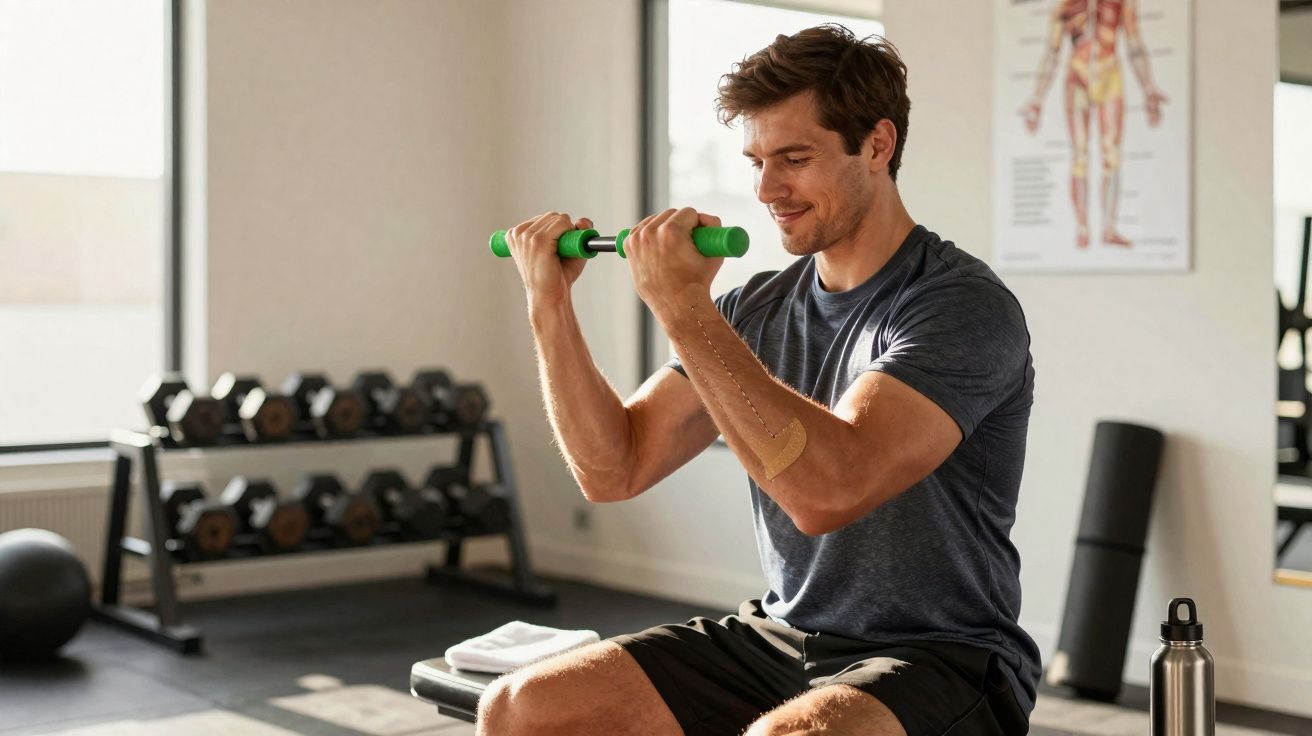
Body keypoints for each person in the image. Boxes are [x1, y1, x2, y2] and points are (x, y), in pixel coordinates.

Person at [483, 24, 1039, 736]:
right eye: (757, 161)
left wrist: (684, 310)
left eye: (794, 159)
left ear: (877, 145)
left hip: (942, 655)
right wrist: (548, 305)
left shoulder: (960, 306)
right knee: (519, 709)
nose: (768, 189)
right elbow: (612, 467)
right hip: (783, 636)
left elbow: (828, 492)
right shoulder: (757, 307)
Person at [1020, 0, 1167, 249]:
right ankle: (1082, 227)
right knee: (1080, 154)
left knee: (1111, 151)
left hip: (1110, 73)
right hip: (1077, 75)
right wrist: (1036, 98)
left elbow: (1133, 43)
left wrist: (1149, 88)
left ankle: (1108, 227)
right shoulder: (1065, 5)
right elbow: (1052, 52)